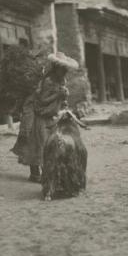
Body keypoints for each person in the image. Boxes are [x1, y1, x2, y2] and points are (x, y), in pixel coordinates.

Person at [13, 52, 78, 182]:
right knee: (39, 143)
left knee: (50, 143)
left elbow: (61, 99)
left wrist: (64, 97)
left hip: (50, 114)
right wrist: (57, 95)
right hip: (40, 114)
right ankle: (36, 174)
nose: (64, 71)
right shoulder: (47, 81)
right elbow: (42, 100)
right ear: (55, 67)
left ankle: (47, 173)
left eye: (65, 69)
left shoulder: (62, 80)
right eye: (61, 68)